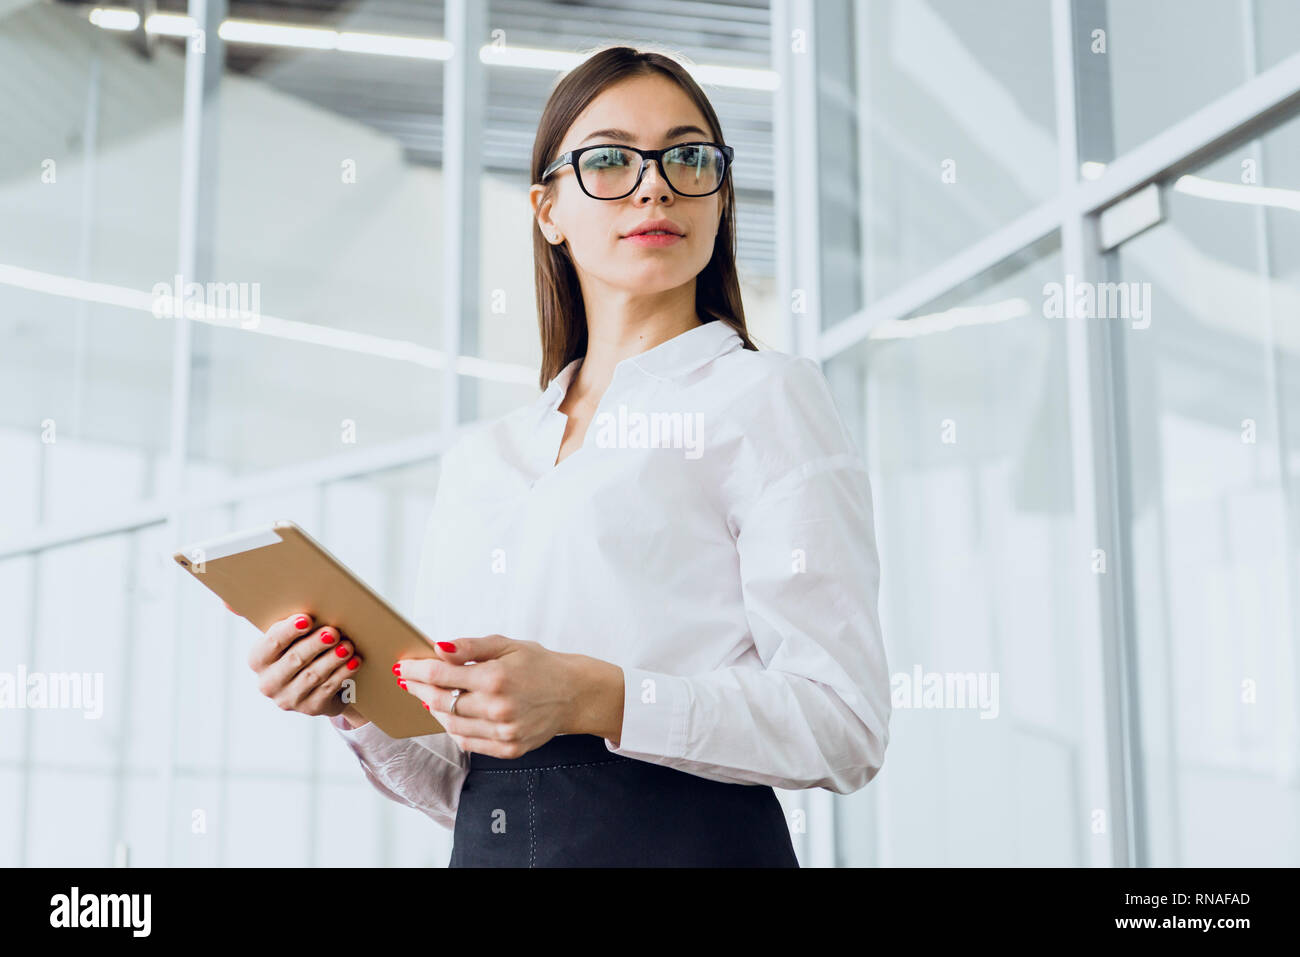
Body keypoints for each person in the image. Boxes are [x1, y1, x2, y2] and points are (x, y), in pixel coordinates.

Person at [247, 45, 890, 867]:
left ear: (721, 196)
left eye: (689, 157)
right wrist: (353, 702)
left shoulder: (763, 397)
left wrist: (598, 696)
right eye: (611, 160)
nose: (655, 183)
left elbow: (845, 723)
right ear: (547, 209)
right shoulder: (484, 458)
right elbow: (461, 781)